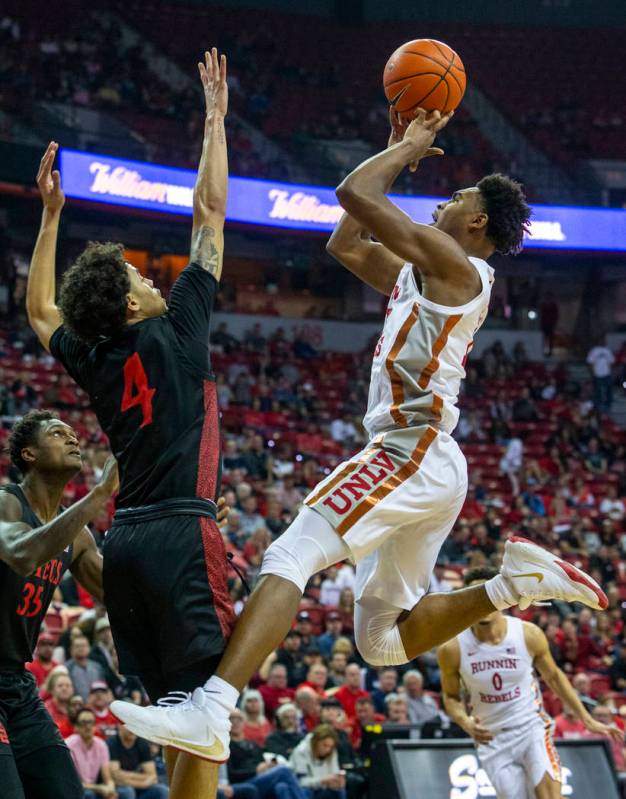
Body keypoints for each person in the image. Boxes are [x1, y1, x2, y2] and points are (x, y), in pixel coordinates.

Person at [114, 106, 608, 758]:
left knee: (289, 555)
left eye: (456, 197)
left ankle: (214, 706)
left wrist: (403, 149)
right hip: (428, 459)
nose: (442, 204)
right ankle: (508, 584)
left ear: (478, 220)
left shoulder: (457, 265)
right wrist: (389, 146)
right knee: (379, 642)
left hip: (413, 448)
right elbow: (343, 241)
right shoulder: (424, 270)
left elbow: (354, 192)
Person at [26, 49, 232, 797]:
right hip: (181, 532)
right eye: (143, 278)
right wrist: (214, 121)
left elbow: (41, 312)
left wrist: (50, 217)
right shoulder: (178, 329)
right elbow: (208, 213)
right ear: (132, 303)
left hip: (127, 546)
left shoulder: (95, 355)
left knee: (182, 716)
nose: (154, 278)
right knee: (210, 715)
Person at [0, 410, 118, 799]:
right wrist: (99, 494)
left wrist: (195, 534)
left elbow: (121, 598)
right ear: (29, 454)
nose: (73, 440)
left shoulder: (78, 536)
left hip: (17, 683)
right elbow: (21, 553)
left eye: (73, 435)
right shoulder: (5, 503)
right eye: (57, 433)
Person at [438, 566, 621, 799]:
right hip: (491, 737)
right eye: (474, 596)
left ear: (502, 597)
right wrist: (465, 722)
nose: (481, 603)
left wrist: (587, 718)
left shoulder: (527, 634)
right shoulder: (452, 648)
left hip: (531, 728)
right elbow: (451, 698)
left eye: (487, 594)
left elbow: (554, 677)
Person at [226, 708, 307, 799]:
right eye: (232, 719)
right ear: (226, 722)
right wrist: (255, 770)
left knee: (281, 787)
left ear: (244, 722)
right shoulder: (226, 747)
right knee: (284, 771)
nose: (235, 722)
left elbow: (265, 759)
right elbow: (231, 774)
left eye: (239, 719)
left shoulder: (252, 744)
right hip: (244, 782)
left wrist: (270, 765)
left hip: (262, 778)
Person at [108, 722, 169, 799]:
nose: (132, 729)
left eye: (134, 725)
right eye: (129, 725)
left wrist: (128, 776)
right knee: (128, 791)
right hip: (118, 787)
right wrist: (144, 782)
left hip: (136, 785)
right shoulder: (112, 743)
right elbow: (115, 776)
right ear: (119, 726)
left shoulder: (142, 743)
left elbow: (152, 775)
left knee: (162, 790)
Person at [67, 707, 116, 799]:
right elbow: (72, 783)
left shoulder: (101, 744)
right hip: (74, 790)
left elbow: (108, 778)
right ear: (76, 727)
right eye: (83, 722)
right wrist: (100, 788)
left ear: (95, 726)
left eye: (91, 722)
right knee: (89, 794)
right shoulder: (69, 745)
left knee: (125, 791)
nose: (88, 726)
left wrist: (110, 787)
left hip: (94, 788)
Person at [290, 724, 347, 799]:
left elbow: (334, 773)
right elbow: (300, 782)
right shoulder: (301, 751)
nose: (328, 750)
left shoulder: (331, 751)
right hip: (308, 788)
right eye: (325, 745)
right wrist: (322, 780)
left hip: (323, 787)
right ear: (316, 742)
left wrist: (337, 782)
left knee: (340, 790)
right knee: (306, 791)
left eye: (330, 746)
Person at [66, 636, 106, 702]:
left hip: (96, 705)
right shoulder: (66, 668)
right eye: (77, 646)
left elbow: (103, 688)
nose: (81, 648)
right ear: (71, 650)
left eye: (84, 646)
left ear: (89, 648)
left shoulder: (97, 667)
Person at [587, 340, 615, 413]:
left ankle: (608, 404)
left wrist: (610, 372)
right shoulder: (594, 350)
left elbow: (611, 362)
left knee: (609, 389)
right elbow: (590, 362)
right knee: (598, 390)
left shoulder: (607, 350)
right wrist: (592, 373)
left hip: (607, 373)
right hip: (597, 373)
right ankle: (598, 405)